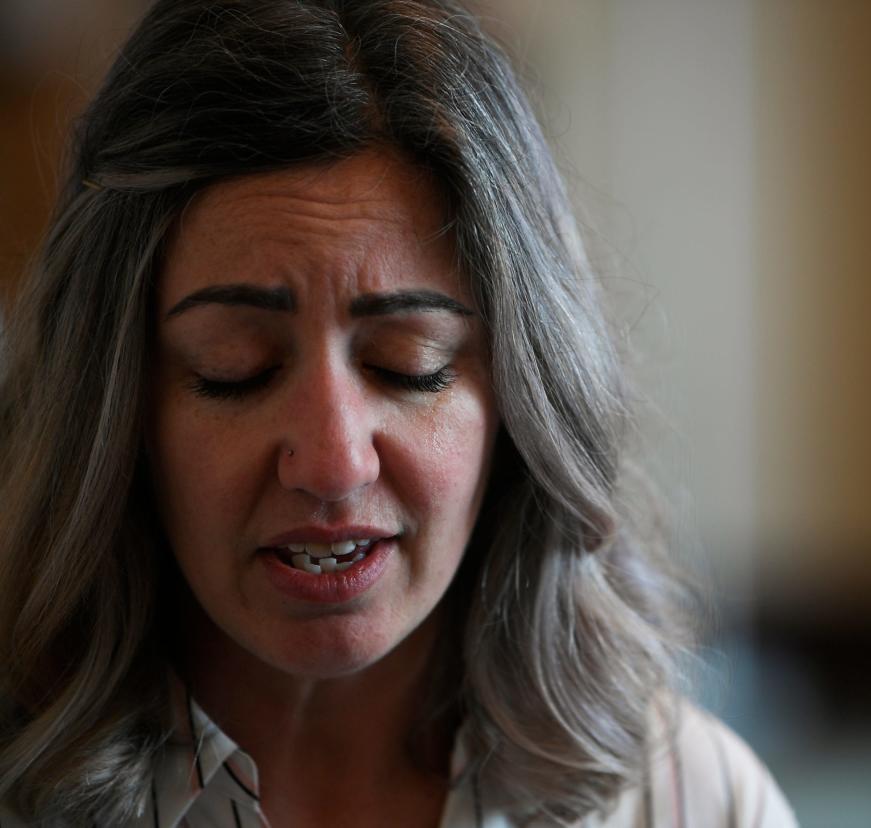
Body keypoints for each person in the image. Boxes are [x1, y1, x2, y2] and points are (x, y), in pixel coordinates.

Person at [0, 1, 797, 825]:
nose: (335, 462)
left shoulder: (693, 802)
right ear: (116, 406)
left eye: (408, 366)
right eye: (234, 369)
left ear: (523, 399)